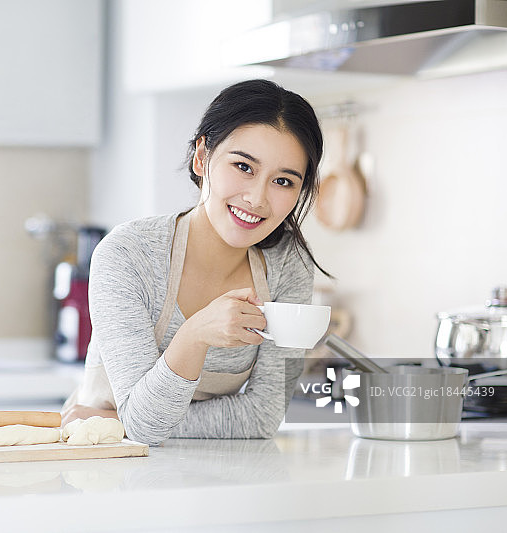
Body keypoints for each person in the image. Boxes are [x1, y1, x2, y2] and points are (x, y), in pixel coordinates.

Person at [61, 79, 327, 445]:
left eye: (282, 181)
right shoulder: (128, 254)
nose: (257, 198)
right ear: (202, 157)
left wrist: (122, 420)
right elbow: (144, 428)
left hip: (212, 473)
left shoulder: (287, 267)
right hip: (103, 466)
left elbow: (263, 417)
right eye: (244, 167)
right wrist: (194, 335)